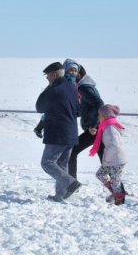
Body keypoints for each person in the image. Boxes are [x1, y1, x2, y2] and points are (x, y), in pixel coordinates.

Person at [35, 62, 80, 202]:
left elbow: (39, 107)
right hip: (71, 132)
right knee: (61, 164)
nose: (47, 79)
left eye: (47, 76)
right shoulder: (71, 87)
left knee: (47, 162)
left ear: (53, 74)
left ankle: (71, 183)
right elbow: (78, 111)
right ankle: (59, 196)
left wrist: (48, 87)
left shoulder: (54, 89)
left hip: (57, 134)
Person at [64, 59, 105, 179]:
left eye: (74, 71)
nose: (71, 74)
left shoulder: (83, 88)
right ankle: (119, 192)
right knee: (105, 162)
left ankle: (72, 183)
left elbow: (99, 104)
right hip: (97, 128)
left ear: (79, 74)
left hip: (94, 129)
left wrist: (93, 124)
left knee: (72, 152)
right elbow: (86, 108)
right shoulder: (83, 87)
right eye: (69, 71)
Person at [92, 104, 128, 205]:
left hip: (117, 160)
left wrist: (107, 160)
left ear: (105, 116)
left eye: (99, 115)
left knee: (116, 181)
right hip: (113, 159)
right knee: (100, 174)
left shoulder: (110, 129)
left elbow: (114, 146)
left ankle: (119, 202)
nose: (98, 116)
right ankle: (116, 193)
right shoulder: (106, 126)